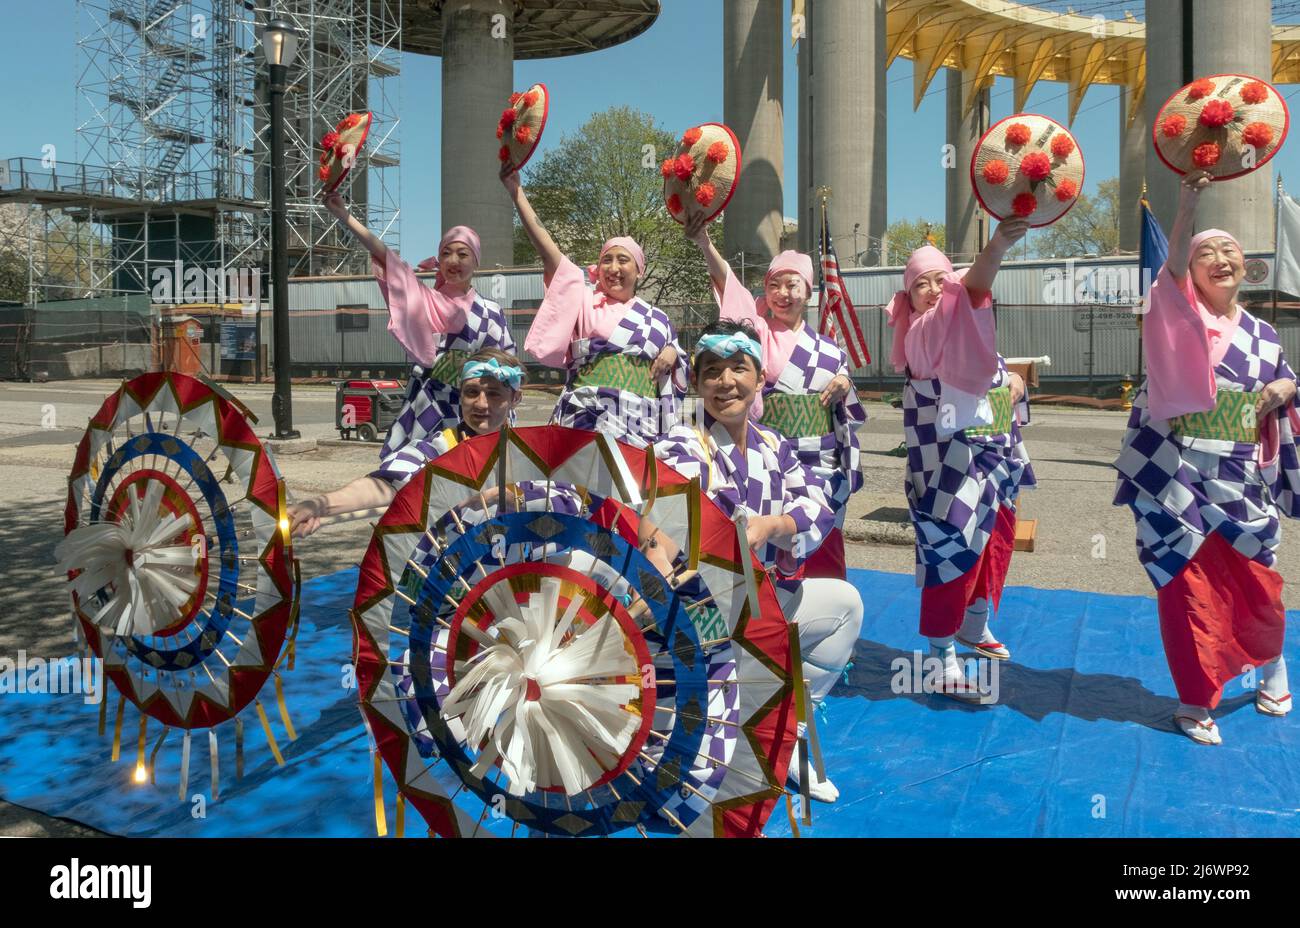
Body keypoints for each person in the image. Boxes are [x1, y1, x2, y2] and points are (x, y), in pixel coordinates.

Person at [1114, 170, 1300, 745]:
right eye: (1205, 253)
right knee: (1186, 584)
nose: (1220, 258)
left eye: (1229, 251)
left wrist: (1281, 393)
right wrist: (1189, 199)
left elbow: (1288, 381)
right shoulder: (1174, 313)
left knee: (1256, 582)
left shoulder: (1265, 333)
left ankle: (1272, 666)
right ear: (1189, 270)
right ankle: (1195, 699)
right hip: (1175, 474)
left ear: (1245, 266)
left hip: (1241, 476)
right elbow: (1168, 273)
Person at [650, 320, 863, 803]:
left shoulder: (773, 444)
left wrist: (772, 526)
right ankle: (727, 733)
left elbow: (818, 506)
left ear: (759, 378)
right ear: (696, 383)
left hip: (760, 603)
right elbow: (674, 532)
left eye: (738, 369)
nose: (725, 382)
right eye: (712, 372)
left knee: (845, 606)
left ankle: (786, 728)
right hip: (701, 615)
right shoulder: (678, 447)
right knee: (708, 787)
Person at [886, 218, 1034, 700]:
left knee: (994, 548)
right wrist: (998, 244)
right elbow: (971, 289)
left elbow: (986, 370)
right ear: (909, 300)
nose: (932, 290)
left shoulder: (967, 333)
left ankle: (975, 625)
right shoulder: (922, 334)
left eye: (937, 279)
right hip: (948, 469)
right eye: (920, 285)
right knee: (950, 554)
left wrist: (1013, 382)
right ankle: (940, 655)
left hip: (994, 460)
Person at [683, 214, 864, 577]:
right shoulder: (757, 331)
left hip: (822, 459)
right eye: (774, 285)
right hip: (772, 457)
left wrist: (844, 381)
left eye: (792, 285)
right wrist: (705, 243)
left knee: (823, 539)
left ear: (809, 291)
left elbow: (846, 409)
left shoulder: (829, 348)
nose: (783, 294)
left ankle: (821, 614)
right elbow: (728, 284)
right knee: (773, 542)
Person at [323, 192, 516, 464]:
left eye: (463, 254)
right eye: (446, 253)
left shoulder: (491, 312)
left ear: (476, 261)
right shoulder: (425, 299)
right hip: (428, 400)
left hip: (475, 406)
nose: (453, 261)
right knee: (418, 475)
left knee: (471, 474)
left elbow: (508, 367)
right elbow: (387, 257)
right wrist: (345, 217)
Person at [502, 165, 688, 448]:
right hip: (583, 416)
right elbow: (548, 249)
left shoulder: (658, 318)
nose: (613, 268)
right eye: (607, 260)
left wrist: (673, 352)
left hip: (641, 423)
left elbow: (679, 363)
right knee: (578, 490)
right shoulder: (582, 298)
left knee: (631, 492)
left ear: (639, 270)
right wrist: (517, 194)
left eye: (623, 260)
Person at [288, 348, 532, 536]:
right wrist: (319, 505)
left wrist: (520, 498)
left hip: (520, 581)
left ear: (515, 398)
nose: (481, 404)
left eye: (494, 394)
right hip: (453, 584)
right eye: (471, 392)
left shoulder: (533, 453)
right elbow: (386, 484)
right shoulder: (438, 450)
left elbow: (565, 503)